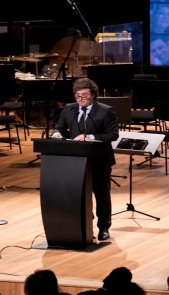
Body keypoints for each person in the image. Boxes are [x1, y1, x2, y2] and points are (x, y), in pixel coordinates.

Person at [50, 78, 119, 241]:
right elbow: (60, 127)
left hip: (99, 160)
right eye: (78, 96)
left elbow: (113, 135)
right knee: (80, 195)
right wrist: (58, 133)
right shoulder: (69, 110)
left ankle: (104, 227)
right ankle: (86, 225)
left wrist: (90, 136)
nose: (81, 99)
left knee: (101, 195)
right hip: (76, 160)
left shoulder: (105, 111)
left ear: (93, 95)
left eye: (85, 96)